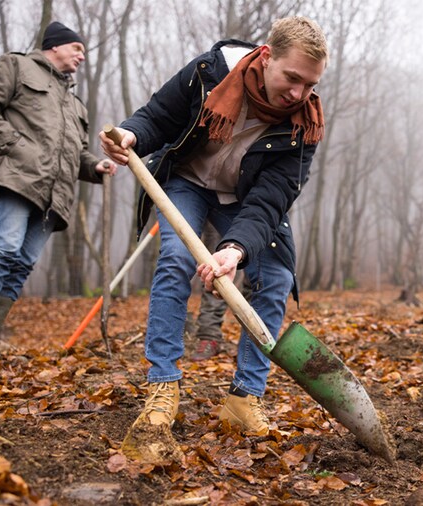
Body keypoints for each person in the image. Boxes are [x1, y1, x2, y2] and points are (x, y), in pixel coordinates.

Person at [99, 16, 328, 453]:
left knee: (275, 275)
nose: (299, 94)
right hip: (185, 182)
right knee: (176, 260)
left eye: (310, 84)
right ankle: (162, 386)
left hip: (242, 200)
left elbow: (271, 198)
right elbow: (157, 118)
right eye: (293, 78)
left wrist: (235, 249)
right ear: (266, 57)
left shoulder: (305, 125)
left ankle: (244, 397)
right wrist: (131, 133)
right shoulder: (208, 73)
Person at [0, 21, 117, 358]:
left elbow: (74, 153)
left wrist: (94, 166)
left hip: (55, 198)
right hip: (17, 179)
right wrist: (15, 145)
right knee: (3, 252)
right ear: (55, 45)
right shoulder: (16, 66)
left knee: (21, 264)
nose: (82, 56)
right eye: (77, 49)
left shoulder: (75, 104)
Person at [189, 222, 253, 361]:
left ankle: (252, 346)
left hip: (256, 212)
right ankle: (209, 336)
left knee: (256, 279)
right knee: (214, 272)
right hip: (216, 207)